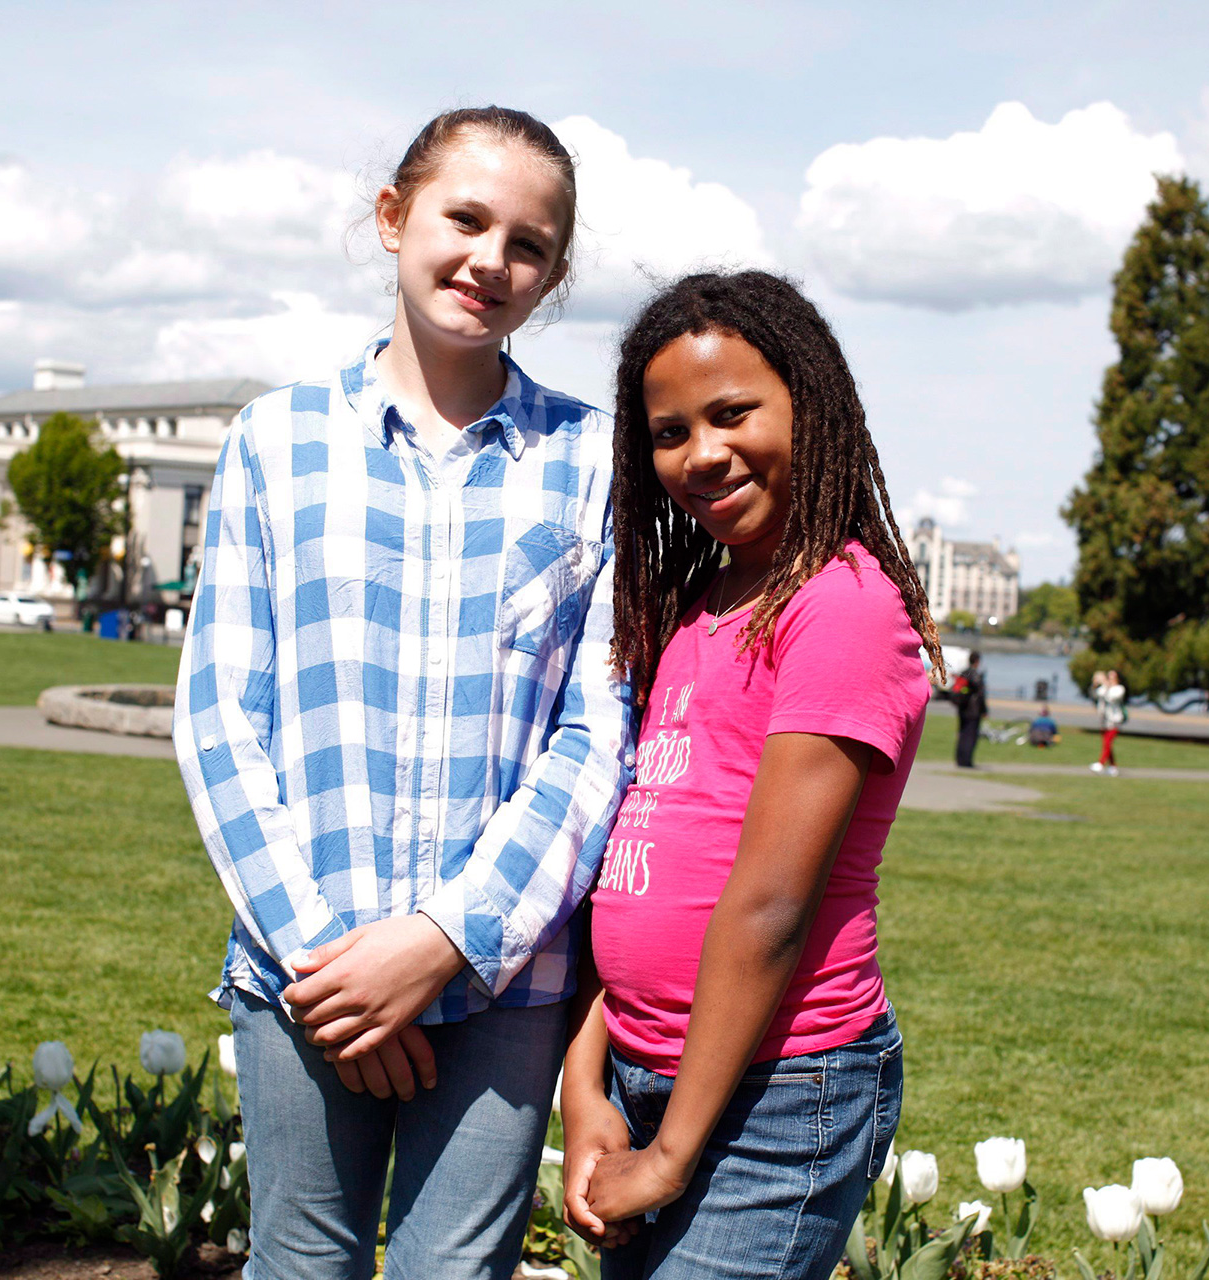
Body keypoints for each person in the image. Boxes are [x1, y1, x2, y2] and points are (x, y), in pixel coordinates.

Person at [174, 107, 629, 1280]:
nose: (490, 260)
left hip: (505, 980)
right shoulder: (275, 441)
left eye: (528, 244)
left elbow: (595, 735)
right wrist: (334, 963)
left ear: (554, 274)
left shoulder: (592, 464)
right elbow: (223, 718)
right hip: (302, 973)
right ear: (394, 218)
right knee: (302, 1259)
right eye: (464, 218)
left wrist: (443, 944)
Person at [560, 271, 941, 1279]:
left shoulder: (842, 604)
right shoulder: (702, 598)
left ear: (810, 406)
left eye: (734, 413)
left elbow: (770, 901)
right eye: (671, 430)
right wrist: (587, 1080)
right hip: (647, 1069)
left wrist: (676, 1149)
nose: (703, 452)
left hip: (777, 1089)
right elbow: (647, 858)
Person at [948, 649, 987, 767]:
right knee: (970, 736)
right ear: (977, 661)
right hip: (973, 710)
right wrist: (984, 710)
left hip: (962, 708)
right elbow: (980, 694)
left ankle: (959, 759)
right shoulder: (975, 675)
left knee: (962, 733)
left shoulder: (963, 672)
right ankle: (967, 761)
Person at [1090, 669, 1126, 776]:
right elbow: (1096, 694)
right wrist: (1097, 683)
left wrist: (1106, 684)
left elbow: (1110, 698)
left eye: (1112, 677)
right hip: (1104, 721)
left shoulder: (1119, 689)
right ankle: (1113, 767)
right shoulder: (1104, 688)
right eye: (1108, 677)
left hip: (1114, 721)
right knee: (1106, 744)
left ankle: (1101, 763)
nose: (1110, 679)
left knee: (1107, 743)